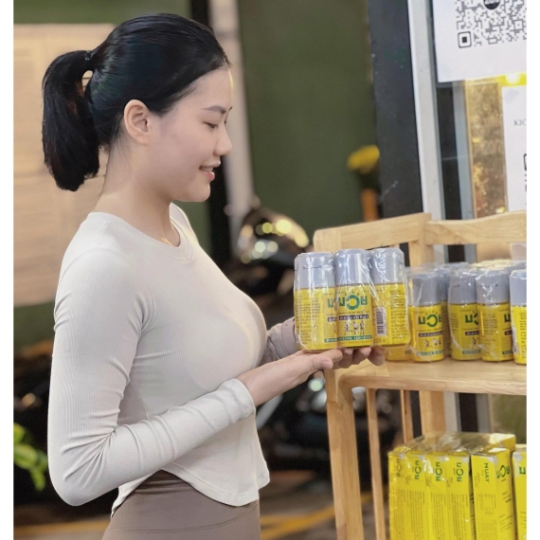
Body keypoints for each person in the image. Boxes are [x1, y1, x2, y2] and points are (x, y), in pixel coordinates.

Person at [42, 13, 385, 540]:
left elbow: (212, 372)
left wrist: (314, 338)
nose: (224, 144)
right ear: (140, 121)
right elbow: (77, 470)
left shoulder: (173, 227)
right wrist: (246, 392)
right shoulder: (104, 264)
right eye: (210, 123)